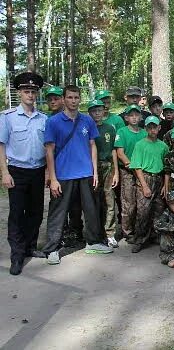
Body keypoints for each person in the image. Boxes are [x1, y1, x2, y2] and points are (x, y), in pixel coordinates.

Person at [43, 85, 113, 265]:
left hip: (86, 173)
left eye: (76, 97)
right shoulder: (53, 122)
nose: (73, 101)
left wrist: (95, 171)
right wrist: (53, 178)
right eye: (70, 97)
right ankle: (52, 249)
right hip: (63, 175)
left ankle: (93, 241)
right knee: (58, 212)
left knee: (91, 209)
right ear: (64, 99)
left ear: (79, 99)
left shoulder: (87, 120)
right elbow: (49, 151)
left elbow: (93, 145)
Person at [1, 72, 47, 275]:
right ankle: (17, 255)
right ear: (19, 93)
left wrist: (47, 173)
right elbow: (1, 146)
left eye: (33, 91)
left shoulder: (43, 119)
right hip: (17, 171)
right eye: (26, 91)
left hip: (38, 170)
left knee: (36, 212)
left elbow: (47, 148)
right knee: (17, 214)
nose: (30, 94)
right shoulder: (8, 118)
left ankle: (30, 246)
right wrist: (4, 172)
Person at [128, 116, 169, 253]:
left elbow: (166, 167)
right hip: (145, 177)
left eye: (155, 127)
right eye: (149, 127)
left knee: (158, 209)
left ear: (159, 128)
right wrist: (144, 185)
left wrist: (164, 184)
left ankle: (156, 236)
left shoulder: (163, 146)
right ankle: (139, 239)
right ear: (146, 129)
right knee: (143, 211)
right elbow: (136, 167)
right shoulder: (140, 144)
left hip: (158, 178)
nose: (152, 129)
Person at [87, 99, 120, 248]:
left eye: (99, 110)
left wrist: (116, 172)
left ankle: (110, 233)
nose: (97, 113)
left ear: (103, 111)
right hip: (91, 168)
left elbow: (113, 150)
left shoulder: (109, 128)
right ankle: (95, 232)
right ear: (89, 113)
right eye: (94, 111)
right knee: (93, 200)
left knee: (109, 200)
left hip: (108, 166)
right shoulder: (86, 128)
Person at [114, 105, 147, 241]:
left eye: (136, 115)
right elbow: (120, 153)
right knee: (128, 202)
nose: (134, 118)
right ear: (126, 118)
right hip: (127, 171)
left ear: (140, 117)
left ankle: (141, 230)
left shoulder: (144, 133)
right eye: (131, 115)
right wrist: (132, 166)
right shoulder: (121, 132)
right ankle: (127, 231)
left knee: (141, 203)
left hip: (142, 171)